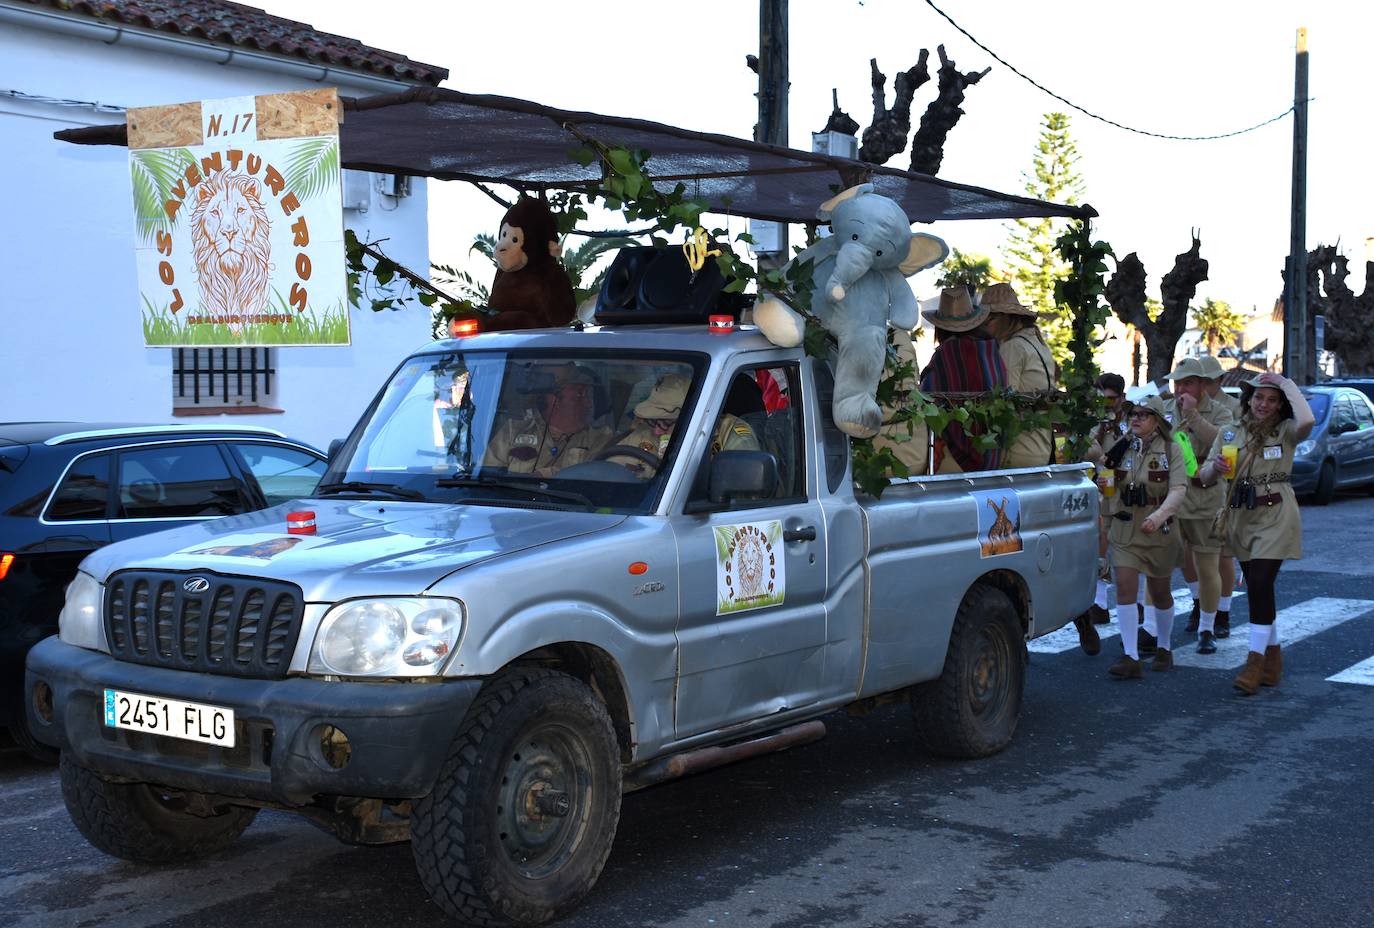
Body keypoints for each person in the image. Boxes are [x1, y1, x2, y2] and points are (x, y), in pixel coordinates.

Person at [1196, 372, 1315, 695]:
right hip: (1241, 516)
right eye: (1259, 397)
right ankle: (1273, 660)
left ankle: (1254, 661)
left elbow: (1308, 420)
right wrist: (1215, 467)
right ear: (1248, 400)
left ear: (1280, 405)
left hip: (1276, 515)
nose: (1263, 404)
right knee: (1258, 589)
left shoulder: (1286, 431)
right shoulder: (1229, 431)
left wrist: (1286, 384)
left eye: (1272, 400)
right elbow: (1204, 476)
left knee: (1261, 583)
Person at [1106, 395, 1188, 679]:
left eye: (1143, 414)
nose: (1136, 419)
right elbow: (1106, 473)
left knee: (1160, 591)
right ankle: (1131, 656)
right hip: (1126, 526)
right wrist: (1105, 484)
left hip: (1158, 529)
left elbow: (1178, 489)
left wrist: (1159, 515)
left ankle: (1164, 647)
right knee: (1124, 586)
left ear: (1157, 420)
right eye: (1133, 414)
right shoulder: (1122, 446)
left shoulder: (1171, 448)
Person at [1165, 357, 1236, 653]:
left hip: (1205, 496)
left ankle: (1210, 625)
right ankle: (1156, 629)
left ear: (1203, 385)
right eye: (1178, 383)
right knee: (1166, 562)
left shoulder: (1222, 411)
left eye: (1188, 383)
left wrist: (1192, 415)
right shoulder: (1163, 409)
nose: (1181, 389)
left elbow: (1221, 441)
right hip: (1169, 496)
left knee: (1210, 564)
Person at [609, 373, 759, 477]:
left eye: (665, 422)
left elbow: (743, 490)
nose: (657, 431)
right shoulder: (643, 433)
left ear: (692, 417)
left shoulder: (728, 433)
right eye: (653, 420)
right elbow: (610, 473)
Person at [484, 363, 613, 477]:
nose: (589, 403)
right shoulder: (513, 431)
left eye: (587, 394)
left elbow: (596, 478)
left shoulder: (599, 438)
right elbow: (488, 478)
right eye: (580, 394)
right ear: (554, 400)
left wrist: (545, 475)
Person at [980, 282, 1057, 468]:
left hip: (1017, 450)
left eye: (987, 321)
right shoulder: (1039, 345)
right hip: (1041, 447)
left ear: (1005, 318)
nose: (983, 328)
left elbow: (1004, 403)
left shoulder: (1013, 347)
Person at [1196, 353, 1241, 634]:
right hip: (1192, 479)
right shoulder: (1184, 405)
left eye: (1208, 381)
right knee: (1192, 553)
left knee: (1223, 554)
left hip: (1224, 484)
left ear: (1220, 380)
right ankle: (1198, 602)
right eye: (1198, 381)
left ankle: (1223, 611)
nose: (1203, 386)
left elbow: (1225, 441)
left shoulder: (1232, 408)